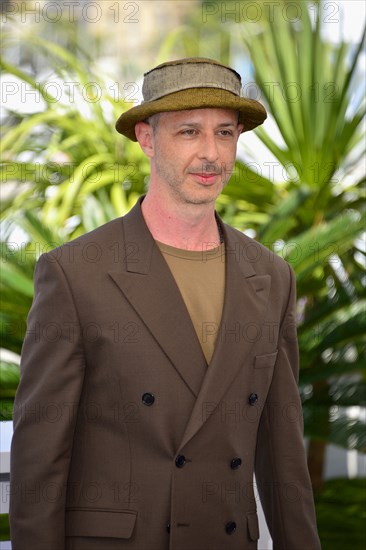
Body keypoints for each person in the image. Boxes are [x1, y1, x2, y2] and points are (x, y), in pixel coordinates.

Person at [10, 57, 321, 550]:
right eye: (188, 132)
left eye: (225, 133)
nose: (211, 154)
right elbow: (39, 461)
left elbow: (283, 455)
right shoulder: (77, 273)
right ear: (147, 139)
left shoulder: (270, 276)